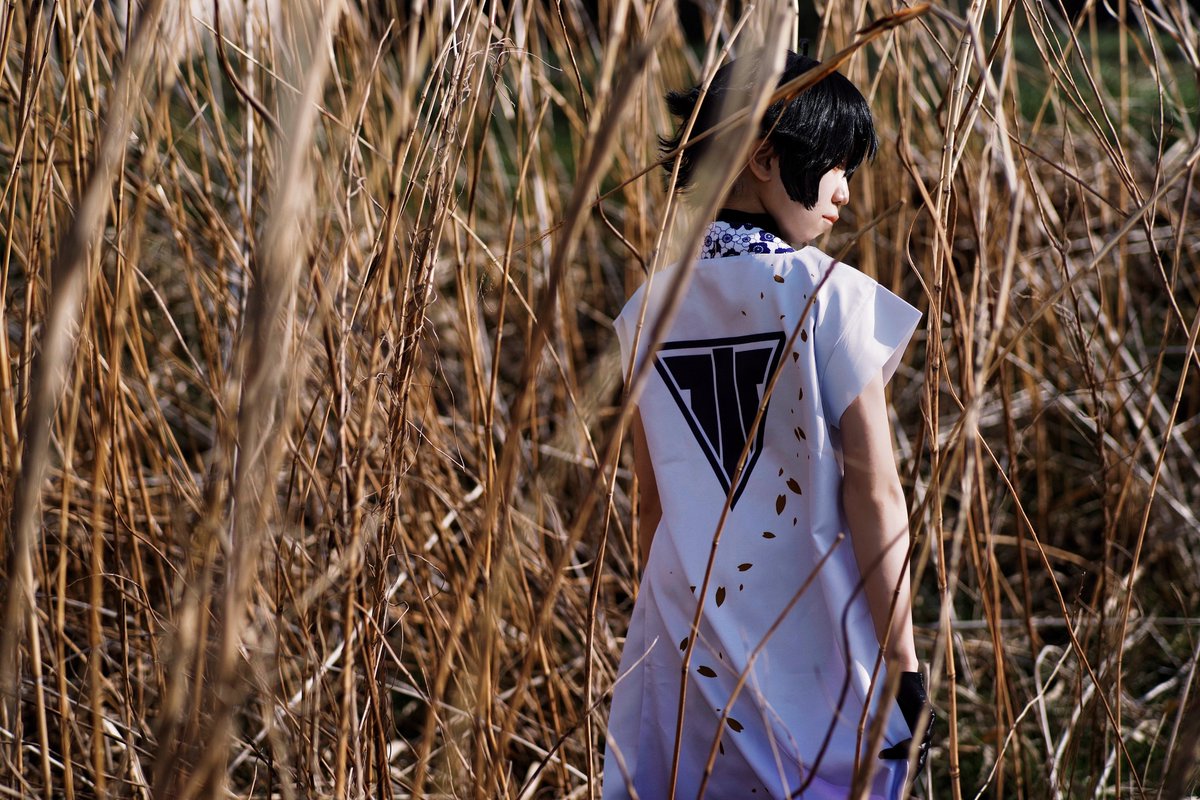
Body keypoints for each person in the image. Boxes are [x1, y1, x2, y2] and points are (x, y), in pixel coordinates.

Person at [604, 49, 934, 799]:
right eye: (834, 165)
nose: (844, 191)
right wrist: (903, 664)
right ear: (763, 159)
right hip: (813, 637)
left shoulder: (647, 312)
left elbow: (652, 506)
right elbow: (875, 494)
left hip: (687, 645)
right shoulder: (832, 299)